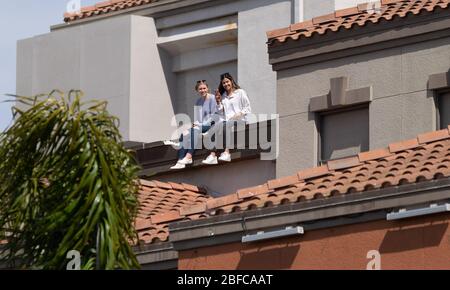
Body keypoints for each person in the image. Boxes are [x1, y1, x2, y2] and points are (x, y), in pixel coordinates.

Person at [202, 73, 252, 165]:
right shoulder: (223, 95)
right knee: (215, 127)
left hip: (240, 120)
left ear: (231, 81)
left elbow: (247, 107)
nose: (226, 84)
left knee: (225, 126)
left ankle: (227, 152)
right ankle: (213, 155)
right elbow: (221, 111)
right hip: (228, 121)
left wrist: (239, 114)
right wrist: (218, 101)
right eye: (223, 83)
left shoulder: (240, 92)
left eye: (227, 82)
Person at [170, 80, 218, 170]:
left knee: (194, 131)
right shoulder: (198, 101)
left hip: (211, 124)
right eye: (200, 89)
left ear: (208, 89)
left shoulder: (213, 98)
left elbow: (214, 116)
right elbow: (198, 119)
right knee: (184, 133)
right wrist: (192, 124)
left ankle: (189, 156)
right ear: (197, 90)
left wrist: (198, 126)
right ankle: (180, 161)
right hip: (201, 125)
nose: (202, 90)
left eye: (204, 88)